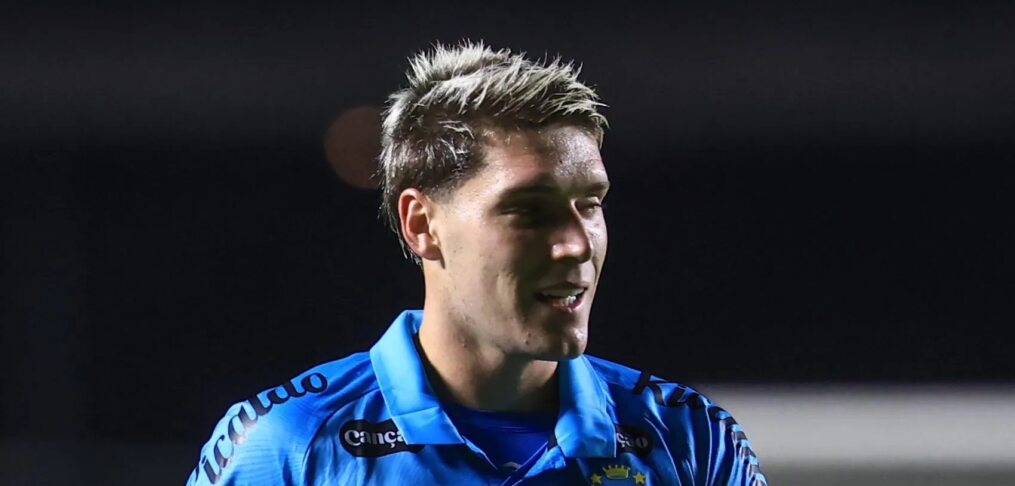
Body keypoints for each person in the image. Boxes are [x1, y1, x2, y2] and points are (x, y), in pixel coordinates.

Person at [187, 41, 766, 485]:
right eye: (528, 211)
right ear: (422, 224)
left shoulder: (689, 442)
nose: (576, 244)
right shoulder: (288, 446)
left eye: (590, 205)